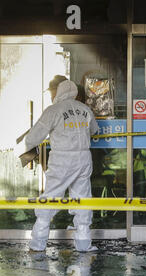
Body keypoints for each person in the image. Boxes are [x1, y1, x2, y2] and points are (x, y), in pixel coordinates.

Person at [25, 75, 99, 252]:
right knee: (82, 200)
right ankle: (83, 244)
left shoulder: (53, 110)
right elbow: (95, 131)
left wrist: (30, 153)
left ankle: (38, 243)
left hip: (62, 160)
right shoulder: (85, 109)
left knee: (50, 198)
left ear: (58, 92)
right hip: (83, 159)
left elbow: (33, 137)